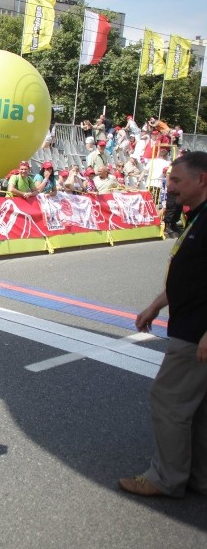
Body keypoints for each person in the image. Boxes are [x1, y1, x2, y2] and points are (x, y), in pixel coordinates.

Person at [119, 150, 207, 498]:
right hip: (190, 324)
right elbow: (190, 275)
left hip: (195, 332)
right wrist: (156, 305)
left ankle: (165, 479)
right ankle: (198, 477)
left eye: (176, 180)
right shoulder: (197, 216)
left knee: (168, 400)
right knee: (196, 408)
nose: (168, 186)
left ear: (201, 179)